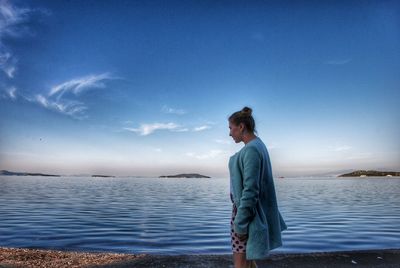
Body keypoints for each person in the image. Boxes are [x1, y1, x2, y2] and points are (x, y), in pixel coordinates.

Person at [228, 106, 287, 268]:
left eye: (231, 128)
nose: (229, 133)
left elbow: (251, 191)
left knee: (240, 263)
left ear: (241, 127)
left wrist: (240, 224)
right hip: (250, 213)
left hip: (246, 215)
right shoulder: (258, 145)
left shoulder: (252, 149)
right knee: (248, 260)